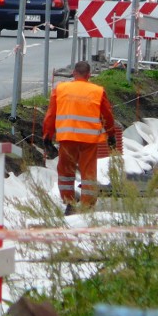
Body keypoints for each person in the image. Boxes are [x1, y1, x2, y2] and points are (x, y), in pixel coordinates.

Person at [43, 61, 116, 215]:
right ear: (89, 75)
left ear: (74, 73)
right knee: (88, 174)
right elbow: (107, 116)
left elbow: (51, 115)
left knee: (65, 171)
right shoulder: (97, 91)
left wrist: (47, 137)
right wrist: (111, 134)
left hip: (67, 138)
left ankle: (69, 203)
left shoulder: (61, 89)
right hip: (88, 140)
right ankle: (87, 206)